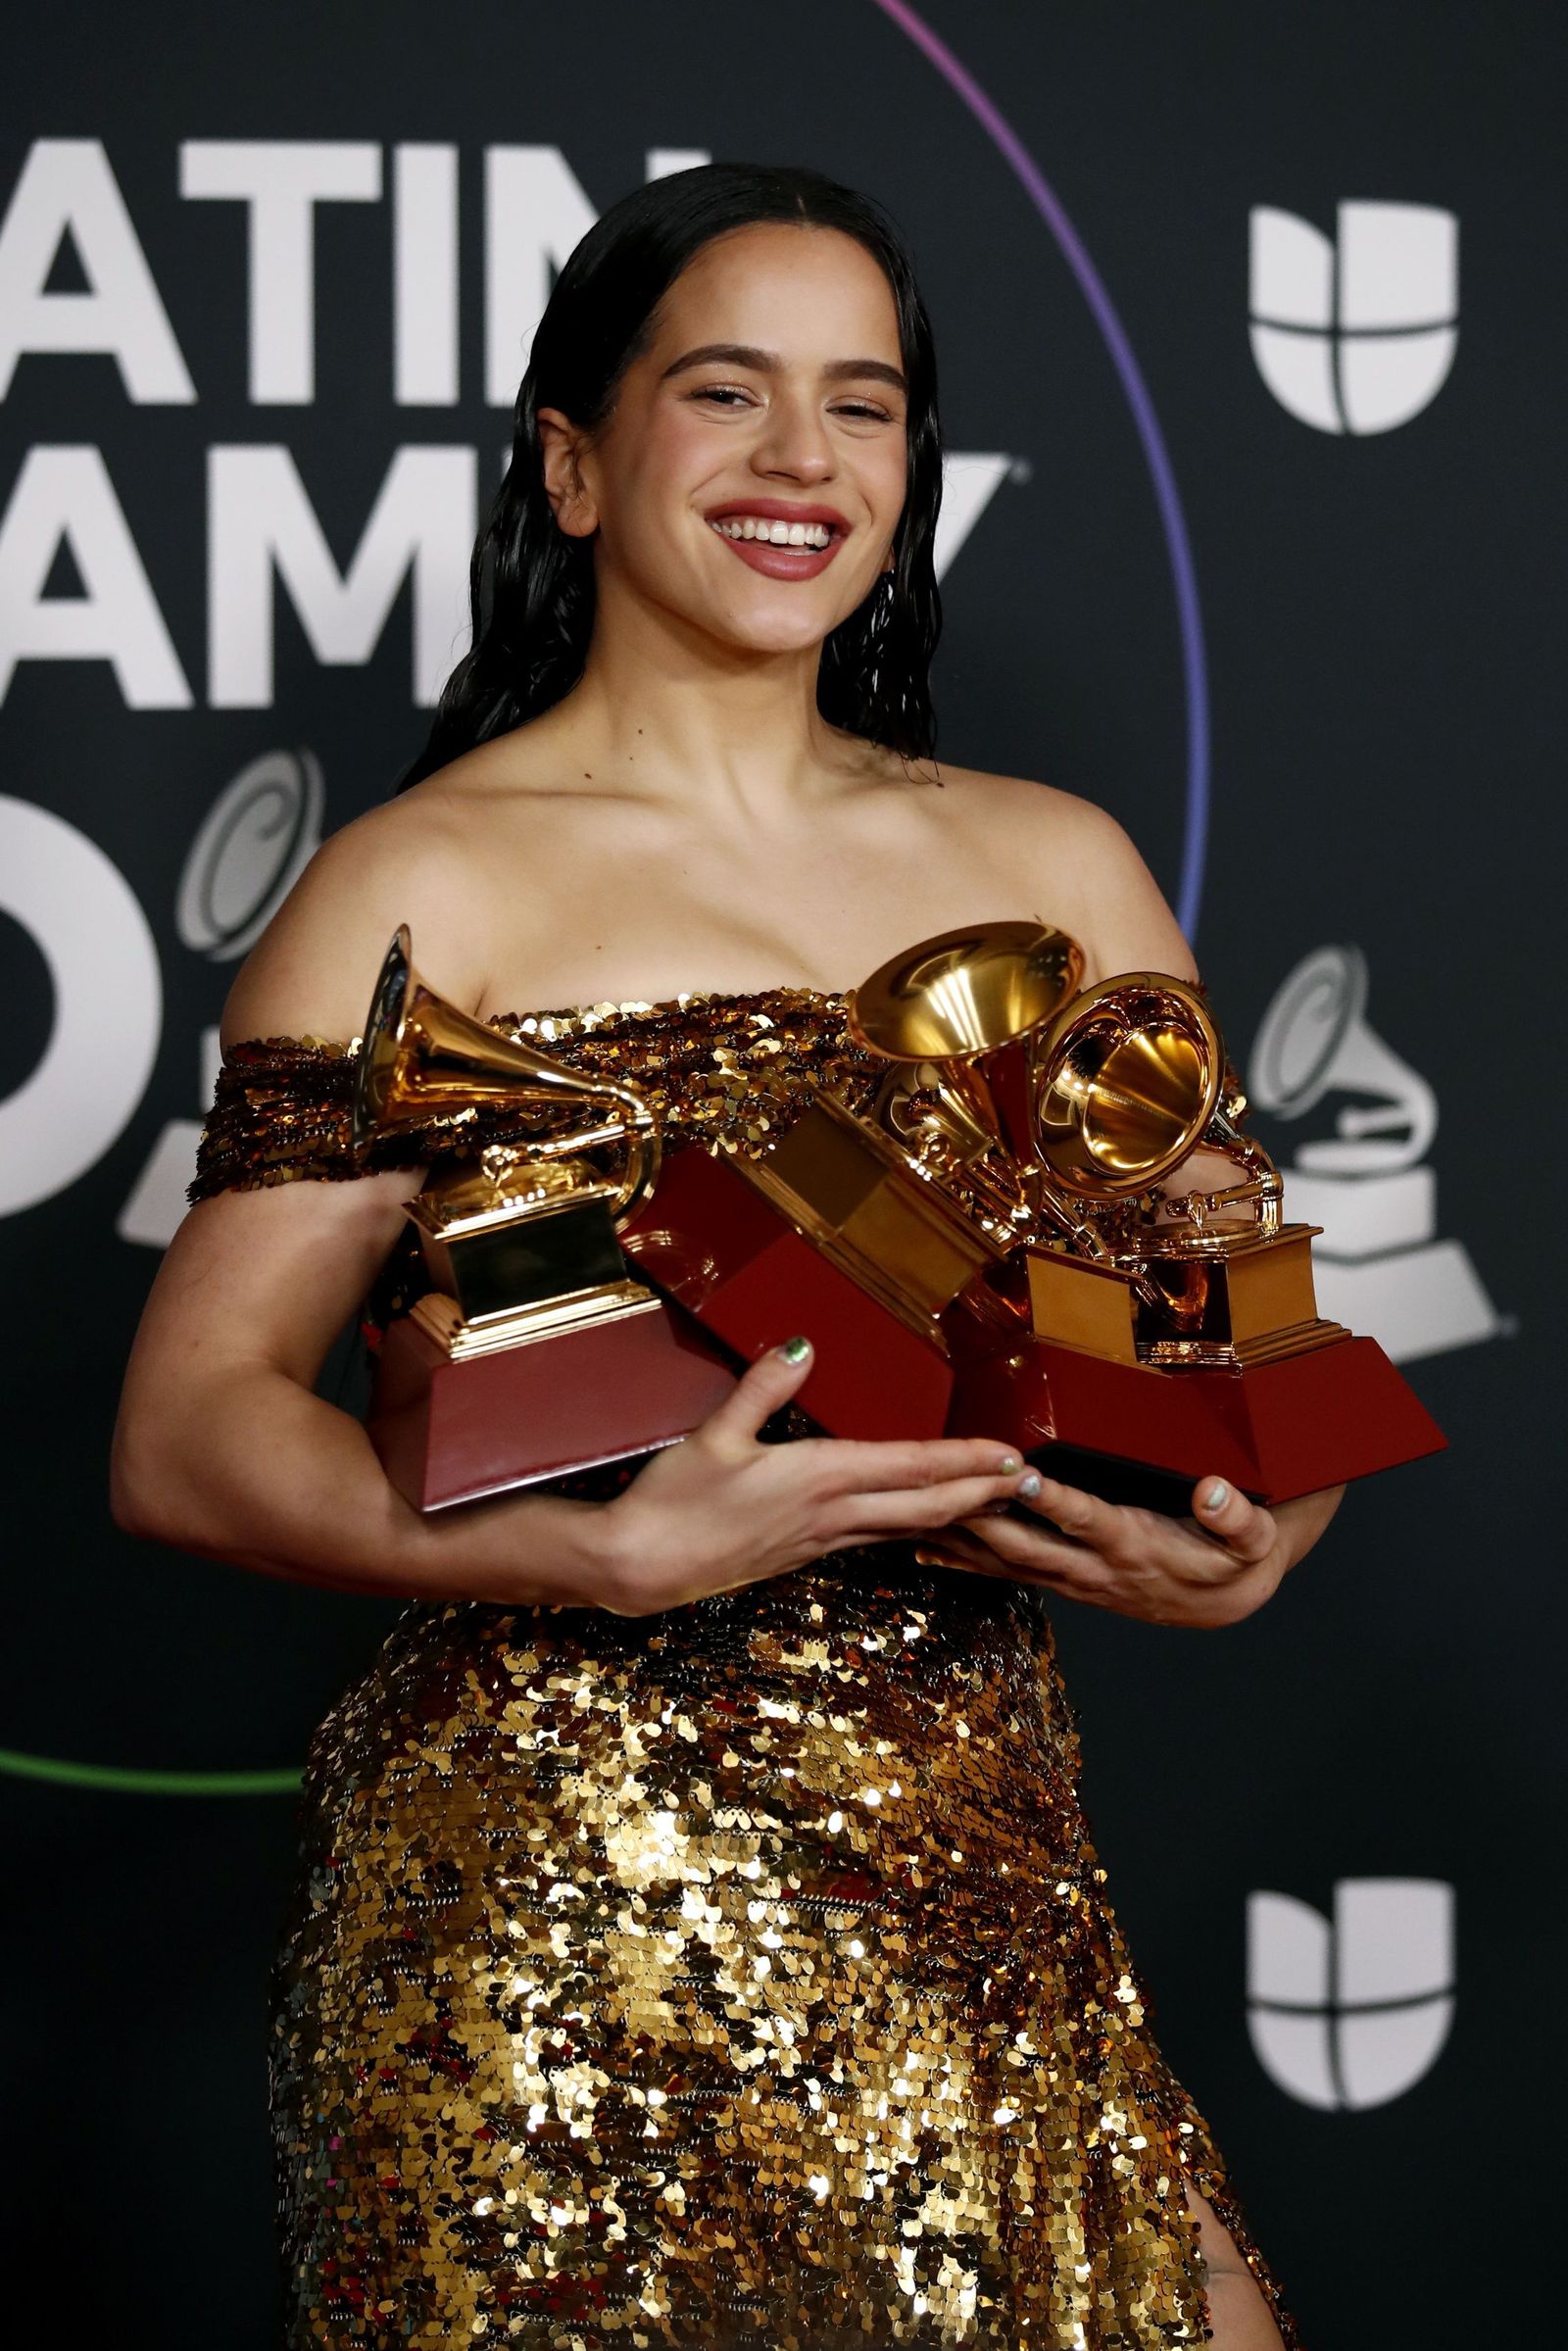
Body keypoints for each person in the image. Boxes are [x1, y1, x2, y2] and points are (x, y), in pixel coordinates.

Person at [113, 163, 1337, 2349]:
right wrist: (583, 1560)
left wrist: (1258, 1529)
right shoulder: (418, 889)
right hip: (545, 1934)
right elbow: (189, 1437)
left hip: (988, 1909)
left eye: (861, 408)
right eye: (726, 393)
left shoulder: (1054, 866)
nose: (802, 462)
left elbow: (1256, 1344)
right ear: (574, 466)